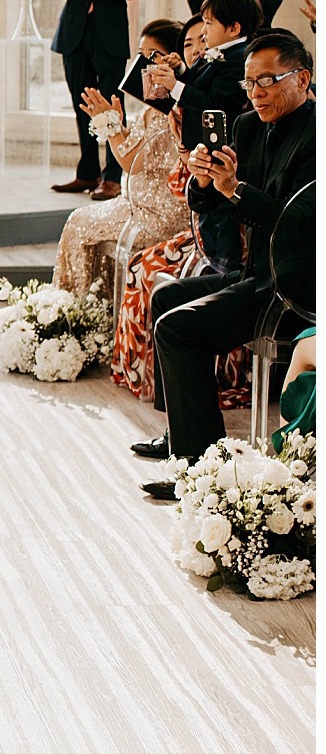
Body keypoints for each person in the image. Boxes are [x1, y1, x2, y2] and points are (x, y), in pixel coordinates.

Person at [137, 31, 316, 492]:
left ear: (304, 79)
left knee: (178, 329)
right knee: (165, 294)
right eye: (249, 82)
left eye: (268, 81)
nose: (255, 92)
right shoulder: (248, 126)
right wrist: (203, 179)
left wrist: (235, 188)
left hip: (297, 286)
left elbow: (298, 226)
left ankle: (202, 474)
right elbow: (210, 205)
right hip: (254, 274)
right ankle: (184, 435)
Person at [112, 17, 249, 408]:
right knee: (146, 274)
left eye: (202, 40)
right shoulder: (173, 109)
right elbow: (186, 183)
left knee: (152, 273)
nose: (196, 49)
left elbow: (146, 169)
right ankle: (152, 389)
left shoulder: (200, 106)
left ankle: (196, 391)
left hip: (187, 222)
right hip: (190, 213)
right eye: (191, 43)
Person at [52, 19, 188, 296]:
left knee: (78, 223)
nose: (141, 63)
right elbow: (138, 151)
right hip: (144, 204)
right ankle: (94, 309)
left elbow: (130, 163)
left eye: (150, 55)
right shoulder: (161, 103)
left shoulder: (165, 108)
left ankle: (74, 308)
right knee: (83, 220)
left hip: (155, 213)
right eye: (140, 54)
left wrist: (109, 124)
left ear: (172, 60)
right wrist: (116, 125)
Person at [49, 0, 147, 201]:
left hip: (111, 37)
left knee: (112, 106)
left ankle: (113, 177)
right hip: (75, 34)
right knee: (82, 106)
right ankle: (86, 173)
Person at [145, 0, 261, 150]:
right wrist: (180, 70)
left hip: (216, 148)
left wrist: (174, 86)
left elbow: (213, 103)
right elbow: (198, 84)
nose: (204, 31)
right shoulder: (217, 50)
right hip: (196, 144)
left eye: (208, 23)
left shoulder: (239, 59)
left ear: (234, 28)